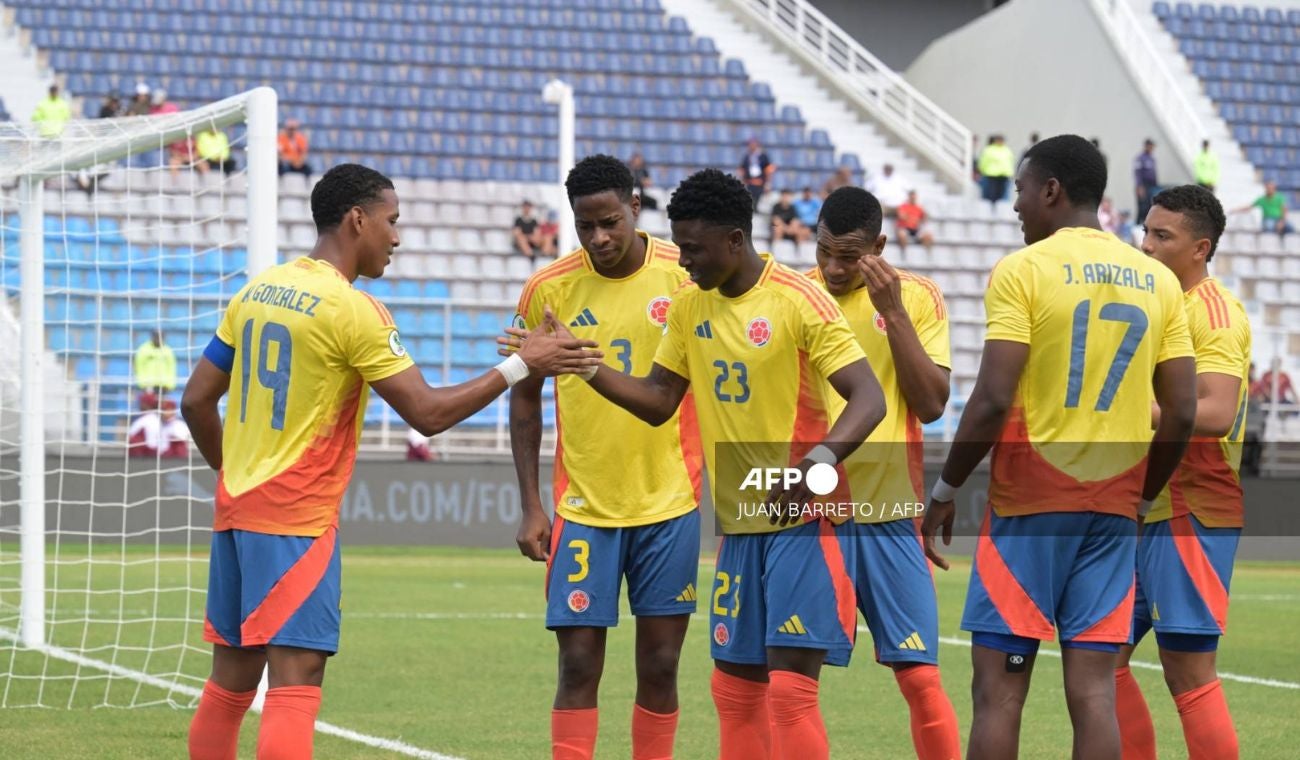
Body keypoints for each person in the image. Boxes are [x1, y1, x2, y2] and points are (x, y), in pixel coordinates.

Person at [181, 163, 600, 760]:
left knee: (230, 680)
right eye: (392, 221)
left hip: (235, 513)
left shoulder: (257, 291)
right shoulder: (353, 310)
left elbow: (195, 401)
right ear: (358, 219)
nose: (396, 237)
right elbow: (427, 413)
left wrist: (235, 474)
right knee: (295, 678)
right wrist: (520, 365)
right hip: (295, 519)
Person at [506, 167, 887, 759]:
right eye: (680, 247)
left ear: (734, 240)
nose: (682, 261)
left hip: (804, 518)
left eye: (693, 249)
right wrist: (584, 364)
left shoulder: (798, 298)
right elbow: (660, 401)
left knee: (789, 692)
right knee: (733, 691)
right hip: (739, 523)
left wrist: (813, 467)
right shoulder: (687, 306)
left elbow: (869, 398)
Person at [921, 135, 1197, 759]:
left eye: (1021, 190)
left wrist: (945, 489)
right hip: (1113, 511)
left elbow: (992, 398)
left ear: (1051, 190)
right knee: (1095, 692)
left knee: (999, 692)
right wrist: (1141, 497)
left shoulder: (1025, 269)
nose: (1016, 204)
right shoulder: (1159, 280)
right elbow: (1181, 411)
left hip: (1030, 506)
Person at [509, 154, 703, 760]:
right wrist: (531, 503)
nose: (597, 238)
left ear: (636, 209)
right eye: (585, 226)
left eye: (610, 222)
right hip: (583, 506)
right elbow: (524, 397)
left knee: (662, 664)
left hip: (670, 502)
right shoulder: (549, 288)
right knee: (577, 664)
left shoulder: (685, 275)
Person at [807, 186, 962, 760]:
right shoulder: (797, 295)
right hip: (808, 516)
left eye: (849, 256)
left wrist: (891, 312)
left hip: (888, 514)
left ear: (878, 246)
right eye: (824, 251)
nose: (833, 268)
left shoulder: (917, 297)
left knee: (921, 678)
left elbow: (932, 404)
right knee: (791, 679)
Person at [1115, 184, 1248, 760]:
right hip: (1145, 506)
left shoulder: (1214, 312)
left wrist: (1125, 402)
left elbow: (1216, 413)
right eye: (1145, 231)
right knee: (1099, 655)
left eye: (1161, 235)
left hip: (1193, 507)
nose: (1145, 245)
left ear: (1201, 248)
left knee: (1188, 672)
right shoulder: (1162, 307)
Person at [134, 330, 177, 407]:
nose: (158, 339)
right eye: (156, 336)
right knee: (148, 408)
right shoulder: (144, 349)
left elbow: (171, 368)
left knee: (162, 408)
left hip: (163, 386)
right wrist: (143, 385)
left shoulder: (168, 351)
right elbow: (139, 367)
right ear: (152, 337)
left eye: (161, 337)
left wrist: (169, 385)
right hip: (148, 386)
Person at [977, 136, 1015, 208]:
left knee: (1002, 196)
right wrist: (982, 170)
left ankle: (999, 210)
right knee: (991, 195)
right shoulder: (990, 149)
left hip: (1004, 175)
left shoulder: (1006, 150)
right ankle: (992, 210)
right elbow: (983, 162)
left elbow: (1010, 162)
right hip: (991, 175)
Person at [737, 137, 775, 209]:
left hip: (760, 184)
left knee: (758, 205)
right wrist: (742, 181)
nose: (751, 146)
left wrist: (768, 183)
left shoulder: (763, 156)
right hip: (749, 184)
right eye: (750, 144)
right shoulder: (747, 156)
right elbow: (742, 170)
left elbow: (768, 170)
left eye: (753, 144)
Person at [1134, 138, 1159, 222]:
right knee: (1142, 207)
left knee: (1150, 206)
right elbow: (1137, 173)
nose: (1152, 148)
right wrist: (1139, 186)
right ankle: (1139, 225)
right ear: (1147, 146)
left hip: (1152, 185)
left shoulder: (1152, 158)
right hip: (1143, 185)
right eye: (1151, 146)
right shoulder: (1140, 158)